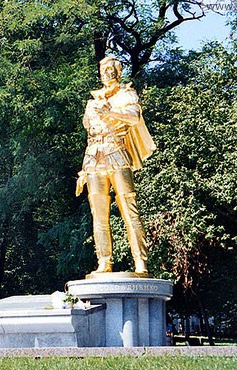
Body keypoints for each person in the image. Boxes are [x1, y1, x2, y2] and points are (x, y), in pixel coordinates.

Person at [76, 56, 156, 275]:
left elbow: (134, 116)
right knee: (98, 214)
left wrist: (109, 112)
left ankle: (141, 263)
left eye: (111, 69)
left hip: (117, 153)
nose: (107, 73)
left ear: (118, 72)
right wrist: (84, 169)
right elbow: (90, 132)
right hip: (93, 158)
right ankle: (104, 262)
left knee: (129, 211)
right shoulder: (92, 101)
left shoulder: (126, 94)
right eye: (104, 70)